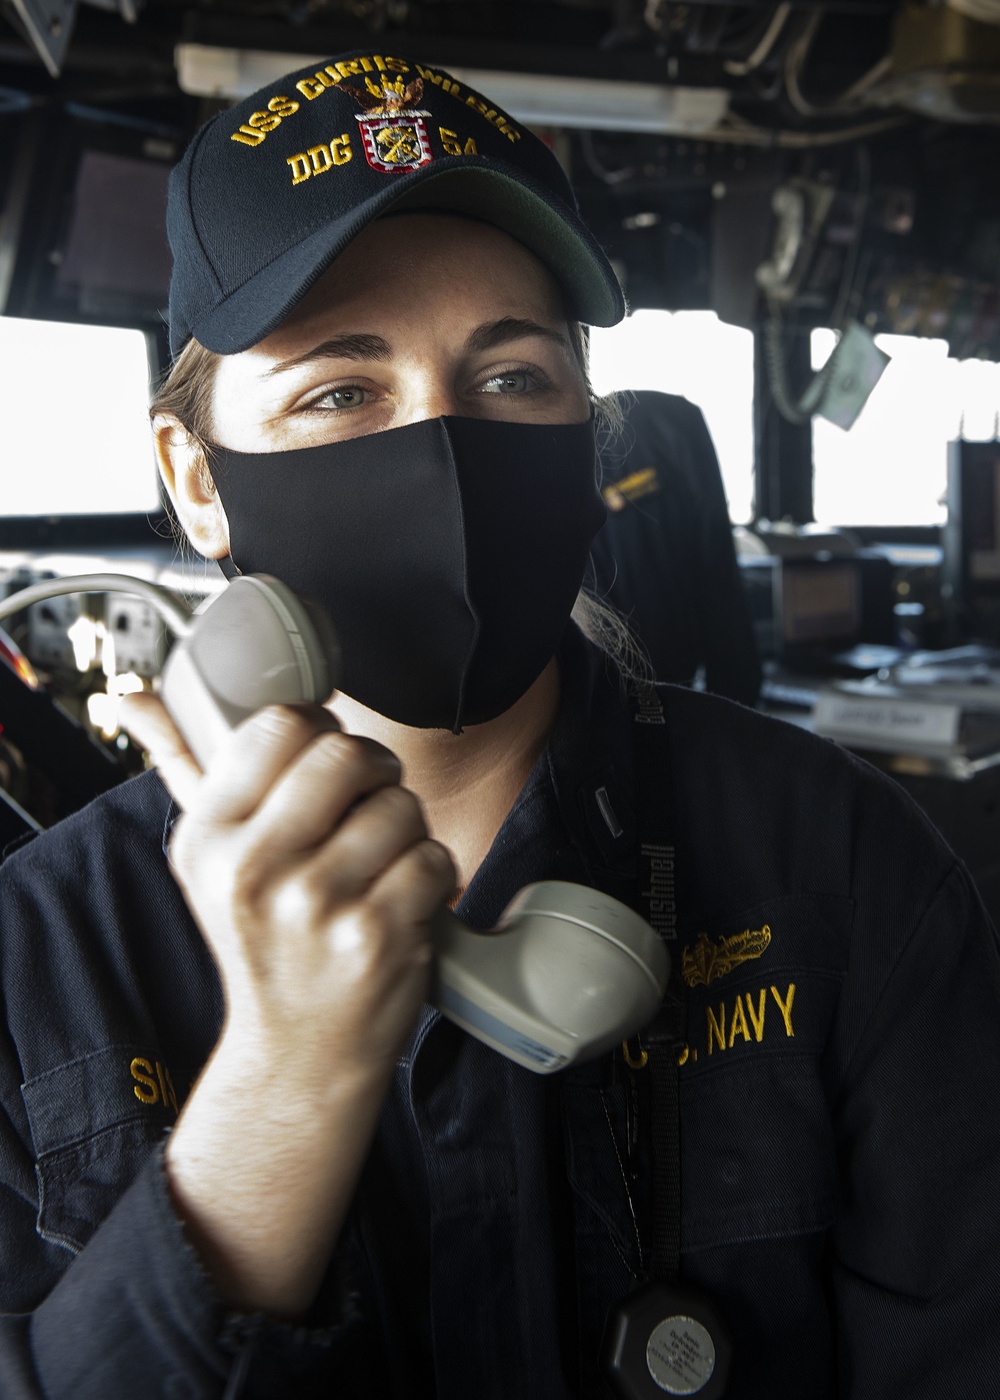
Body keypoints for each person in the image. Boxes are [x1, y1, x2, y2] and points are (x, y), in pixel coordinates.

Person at [0, 48, 998, 1400]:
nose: (447, 451)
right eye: (340, 392)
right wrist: (286, 1085)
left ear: (590, 436)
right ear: (196, 479)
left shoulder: (854, 870)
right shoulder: (38, 954)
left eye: (515, 377)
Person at [587, 389, 762, 706]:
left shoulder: (663, 428)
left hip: (616, 690)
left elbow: (718, 574)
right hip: (655, 688)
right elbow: (720, 581)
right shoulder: (668, 426)